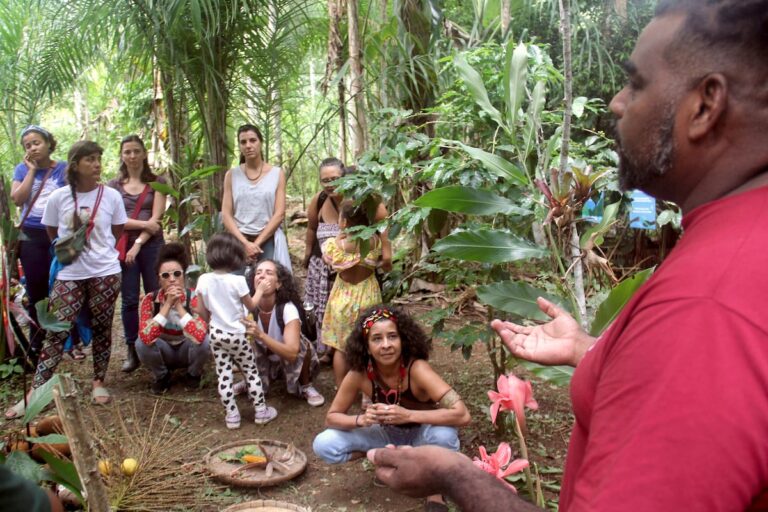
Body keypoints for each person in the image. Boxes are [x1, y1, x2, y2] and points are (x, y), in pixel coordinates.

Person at [367, 1, 768, 510]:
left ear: (706, 105)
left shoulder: (704, 305)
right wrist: (592, 351)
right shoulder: (743, 243)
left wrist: (458, 476)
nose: (618, 103)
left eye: (637, 83)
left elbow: (703, 346)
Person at [5, 141, 127, 419]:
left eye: (98, 159)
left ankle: (98, 382)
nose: (96, 164)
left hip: (105, 271)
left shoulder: (111, 196)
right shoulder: (58, 197)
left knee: (102, 327)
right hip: (69, 273)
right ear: (75, 165)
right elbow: (51, 232)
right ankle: (36, 391)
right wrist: (72, 250)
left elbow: (117, 231)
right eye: (90, 160)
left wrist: (97, 251)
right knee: (57, 331)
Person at [313, 304, 470, 512]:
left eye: (392, 337)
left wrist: (409, 415)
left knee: (444, 435)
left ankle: (435, 489)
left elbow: (462, 414)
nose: (386, 345)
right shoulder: (359, 374)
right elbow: (331, 418)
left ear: (403, 341)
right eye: (377, 339)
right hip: (384, 434)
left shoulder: (418, 369)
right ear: (366, 346)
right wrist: (361, 420)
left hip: (422, 435)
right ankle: (384, 457)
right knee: (324, 443)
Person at [194, 232, 278, 428]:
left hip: (216, 334)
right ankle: (260, 411)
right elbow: (251, 306)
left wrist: (211, 323)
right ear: (234, 257)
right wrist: (260, 290)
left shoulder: (204, 279)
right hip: (237, 335)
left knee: (223, 374)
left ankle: (232, 416)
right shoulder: (237, 281)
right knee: (250, 371)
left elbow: (200, 309)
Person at [107, 135, 167, 373]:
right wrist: (142, 228)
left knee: (155, 294)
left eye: (136, 151)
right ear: (122, 156)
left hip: (150, 246)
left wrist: (139, 242)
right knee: (130, 299)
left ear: (144, 153)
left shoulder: (157, 182)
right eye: (127, 152)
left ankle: (155, 343)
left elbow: (156, 221)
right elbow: (115, 219)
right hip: (123, 247)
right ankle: (132, 349)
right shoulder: (113, 186)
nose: (131, 156)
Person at [10, 125, 67, 364]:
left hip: (58, 234)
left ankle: (63, 339)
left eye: (37, 142)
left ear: (48, 142)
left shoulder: (63, 168)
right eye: (28, 145)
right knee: (35, 289)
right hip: (31, 234)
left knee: (61, 287)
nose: (33, 148)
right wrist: (32, 172)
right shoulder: (22, 169)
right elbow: (17, 199)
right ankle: (37, 340)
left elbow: (70, 198)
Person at [238, 258, 324, 407]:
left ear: (278, 283)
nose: (262, 276)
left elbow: (292, 353)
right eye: (258, 273)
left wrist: (261, 335)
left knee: (303, 345)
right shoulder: (246, 308)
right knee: (237, 341)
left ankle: (305, 386)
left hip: (285, 357)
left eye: (269, 273)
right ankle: (249, 382)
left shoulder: (287, 309)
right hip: (263, 357)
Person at [321, 201, 383, 387]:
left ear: (344, 222)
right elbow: (381, 260)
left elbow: (328, 260)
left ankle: (342, 388)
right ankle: (367, 393)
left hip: (342, 297)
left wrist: (341, 235)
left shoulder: (336, 244)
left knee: (341, 348)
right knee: (368, 345)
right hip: (368, 295)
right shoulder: (374, 242)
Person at [136, 242, 209, 394]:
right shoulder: (149, 300)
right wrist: (167, 305)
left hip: (187, 349)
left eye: (177, 274)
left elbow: (200, 335)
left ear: (184, 275)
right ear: (159, 279)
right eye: (165, 275)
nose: (172, 279)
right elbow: (146, 336)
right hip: (163, 351)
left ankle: (193, 374)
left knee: (205, 340)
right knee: (141, 343)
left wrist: (179, 307)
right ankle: (162, 376)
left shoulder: (195, 297)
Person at [221, 123, 292, 272]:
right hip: (238, 240)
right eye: (243, 142)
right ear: (239, 146)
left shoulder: (276, 174)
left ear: (261, 142)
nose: (248, 145)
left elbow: (279, 213)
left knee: (268, 285)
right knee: (235, 286)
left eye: (253, 140)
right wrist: (245, 244)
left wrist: (256, 245)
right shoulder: (232, 175)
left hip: (267, 240)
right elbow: (226, 214)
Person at [302, 157, 345, 360]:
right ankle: (326, 349)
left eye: (335, 179)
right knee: (322, 308)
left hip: (347, 269)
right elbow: (311, 227)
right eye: (325, 180)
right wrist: (307, 253)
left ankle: (344, 350)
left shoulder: (355, 200)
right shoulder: (318, 200)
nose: (330, 184)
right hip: (321, 267)